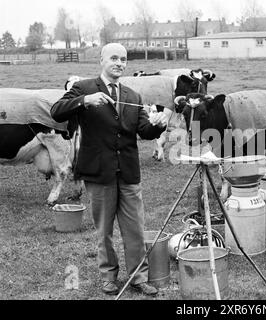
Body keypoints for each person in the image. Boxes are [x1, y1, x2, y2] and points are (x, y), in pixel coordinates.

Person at [51, 43, 168, 296]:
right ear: (101, 60)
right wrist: (84, 101)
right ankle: (108, 277)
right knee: (103, 230)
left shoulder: (132, 95)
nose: (119, 63)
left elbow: (144, 132)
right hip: (98, 172)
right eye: (114, 58)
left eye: (123, 59)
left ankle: (138, 277)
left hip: (128, 173)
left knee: (135, 228)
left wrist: (158, 125)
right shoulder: (83, 88)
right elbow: (56, 112)